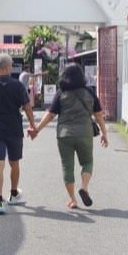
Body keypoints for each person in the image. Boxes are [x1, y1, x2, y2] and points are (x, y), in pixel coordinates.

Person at [29, 63, 108, 209]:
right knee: (87, 163)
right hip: (84, 133)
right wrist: (104, 133)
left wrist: (37, 129)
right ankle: (84, 187)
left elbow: (50, 114)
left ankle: (73, 200)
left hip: (64, 135)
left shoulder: (61, 93)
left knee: (67, 167)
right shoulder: (90, 92)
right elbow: (98, 115)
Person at [0, 53, 36, 215]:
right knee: (14, 163)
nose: (12, 67)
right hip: (14, 128)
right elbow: (27, 107)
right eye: (11, 65)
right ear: (7, 67)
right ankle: (13, 194)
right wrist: (33, 125)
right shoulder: (18, 86)